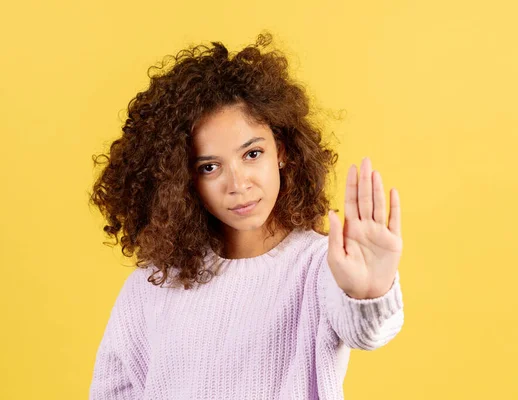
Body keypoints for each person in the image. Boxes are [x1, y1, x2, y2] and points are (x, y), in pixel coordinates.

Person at [88, 31, 405, 400]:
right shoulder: (154, 283)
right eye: (209, 167)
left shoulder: (320, 266)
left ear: (281, 151)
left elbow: (366, 332)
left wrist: (368, 294)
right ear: (179, 180)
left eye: (252, 154)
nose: (237, 184)